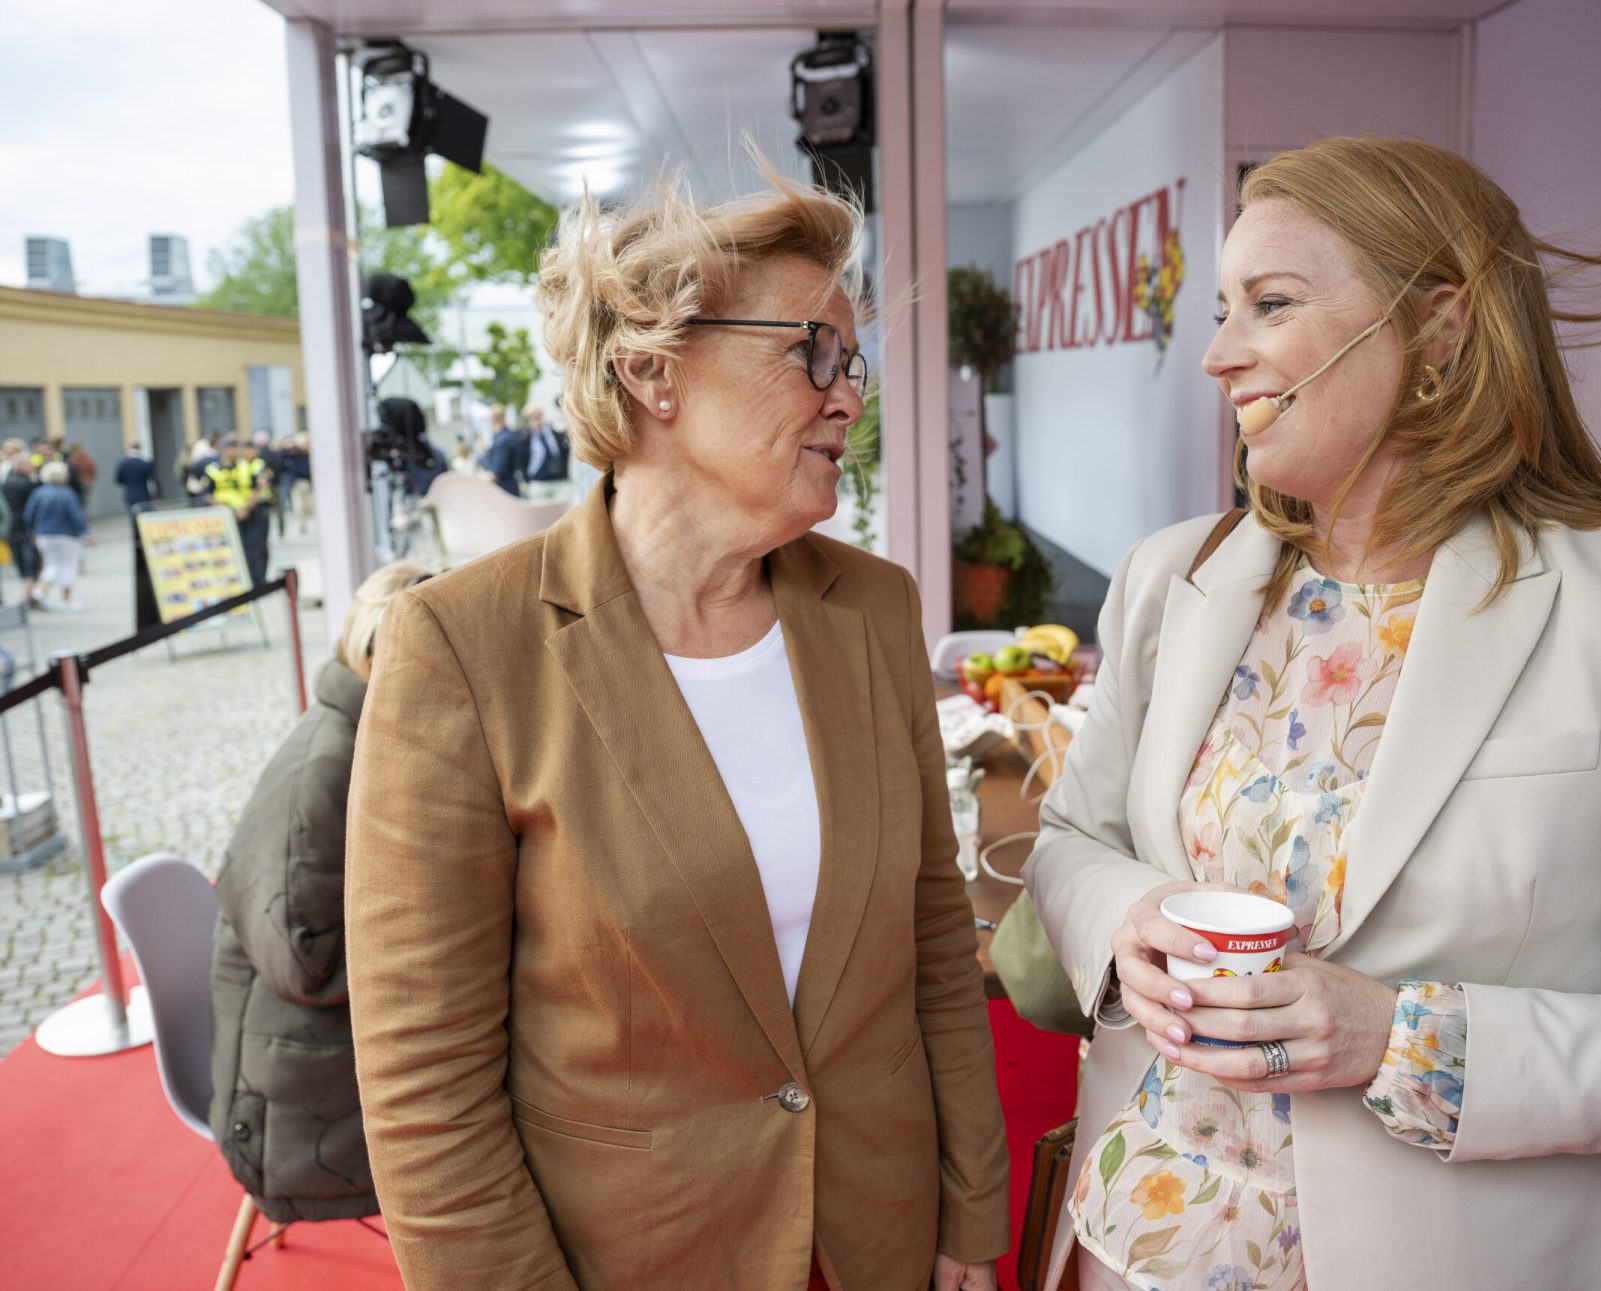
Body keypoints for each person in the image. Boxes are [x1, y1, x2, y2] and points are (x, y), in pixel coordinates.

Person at [1025, 137, 1601, 1291]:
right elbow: (1068, 840)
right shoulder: (1171, 577)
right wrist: (1128, 918)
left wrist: (1403, 1040)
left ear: (1438, 327)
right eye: (1222, 309)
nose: (1219, 355)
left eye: (1270, 304)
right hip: (1141, 1243)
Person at [344, 168, 1009, 1290]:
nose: (850, 399)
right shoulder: (462, 648)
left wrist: (969, 1216)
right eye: (813, 351)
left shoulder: (876, 607)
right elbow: (426, 1091)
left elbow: (935, 938)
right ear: (652, 370)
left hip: (880, 1236)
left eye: (852, 363)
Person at [208, 559, 434, 1226]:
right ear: (378, 653)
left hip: (314, 1058)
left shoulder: (370, 733)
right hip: (294, 1105)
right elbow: (306, 962)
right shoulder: (328, 765)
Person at [23, 460, 88, 612]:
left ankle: (41, 594)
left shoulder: (38, 493)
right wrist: (85, 531)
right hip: (66, 535)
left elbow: (28, 515)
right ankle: (65, 601)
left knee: (51, 564)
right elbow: (75, 516)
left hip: (43, 535)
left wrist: (32, 532)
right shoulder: (67, 493)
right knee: (68, 566)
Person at [207, 437, 273, 588]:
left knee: (256, 548)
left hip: (251, 512)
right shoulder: (213, 469)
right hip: (227, 515)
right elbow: (208, 493)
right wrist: (226, 510)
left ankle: (258, 582)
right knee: (236, 549)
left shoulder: (248, 466)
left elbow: (259, 488)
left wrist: (246, 508)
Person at [2, 444, 41, 599]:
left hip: (11, 529)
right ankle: (28, 595)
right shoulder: (28, 484)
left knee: (20, 561)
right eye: (30, 464)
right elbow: (34, 510)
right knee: (31, 561)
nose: (32, 467)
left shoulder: (5, 483)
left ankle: (27, 593)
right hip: (26, 528)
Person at [518, 402, 572, 502]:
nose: (536, 419)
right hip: (538, 482)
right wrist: (525, 480)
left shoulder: (554, 432)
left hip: (557, 482)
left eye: (538, 416)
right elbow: (521, 459)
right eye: (533, 417)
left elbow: (564, 451)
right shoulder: (526, 437)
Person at [481, 402, 526, 497]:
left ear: (492, 419)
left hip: (504, 489)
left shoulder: (502, 440)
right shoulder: (508, 435)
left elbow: (498, 471)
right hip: (510, 485)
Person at [115, 440, 159, 513]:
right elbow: (153, 480)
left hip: (129, 493)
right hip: (143, 493)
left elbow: (118, 480)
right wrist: (156, 494)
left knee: (132, 515)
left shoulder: (123, 463)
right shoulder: (145, 463)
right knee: (144, 515)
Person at [63, 440, 97, 513]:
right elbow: (93, 469)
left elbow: (71, 472)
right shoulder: (86, 456)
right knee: (83, 502)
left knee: (76, 502)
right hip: (86, 482)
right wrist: (90, 479)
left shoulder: (73, 458)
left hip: (77, 484)